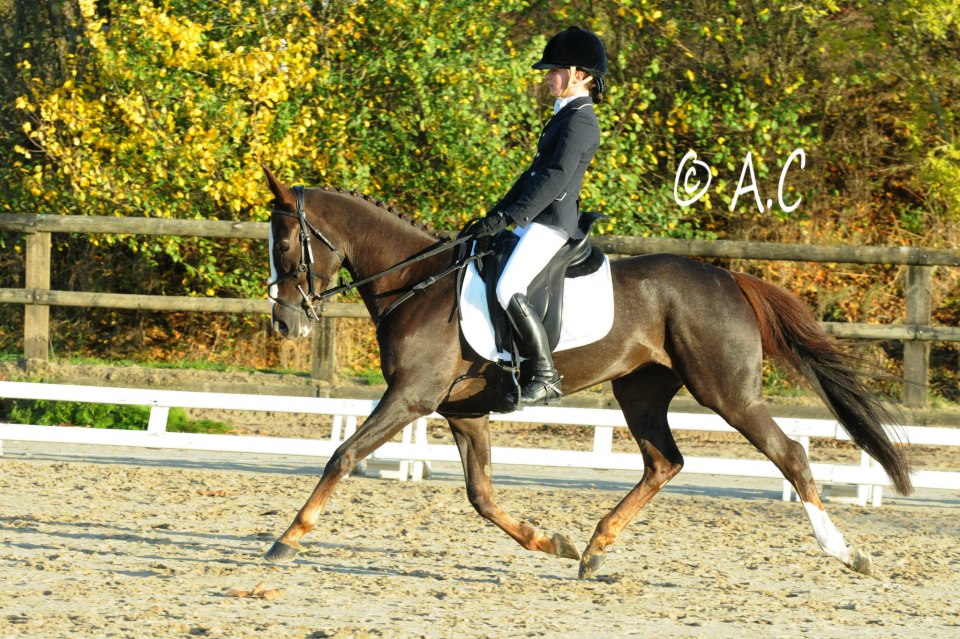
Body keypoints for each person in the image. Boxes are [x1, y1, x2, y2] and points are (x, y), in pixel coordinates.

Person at [475, 26, 607, 406]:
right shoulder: (564, 113)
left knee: (507, 287)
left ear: (578, 74)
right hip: (537, 219)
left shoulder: (581, 119)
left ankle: (545, 376)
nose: (547, 77)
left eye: (554, 70)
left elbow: (555, 178)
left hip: (553, 224)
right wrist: (496, 214)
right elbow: (531, 174)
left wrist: (513, 216)